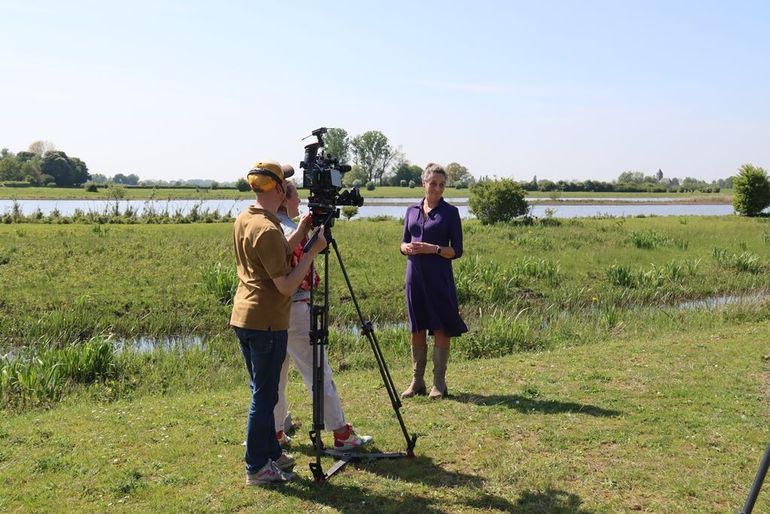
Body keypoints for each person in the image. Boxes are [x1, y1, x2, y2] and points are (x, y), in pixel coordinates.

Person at [230, 159, 326, 486]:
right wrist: (312, 251)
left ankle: (271, 451)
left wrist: (300, 231)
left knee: (266, 392)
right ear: (281, 189)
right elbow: (285, 284)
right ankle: (257, 465)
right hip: (267, 321)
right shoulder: (268, 227)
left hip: (245, 316)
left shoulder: (247, 218)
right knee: (265, 395)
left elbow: (275, 253)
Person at [273, 166, 373, 451]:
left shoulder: (270, 226)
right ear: (286, 199)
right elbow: (302, 274)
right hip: (297, 310)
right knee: (318, 371)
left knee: (276, 376)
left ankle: (276, 433)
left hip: (274, 314)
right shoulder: (291, 230)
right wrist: (313, 241)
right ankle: (341, 433)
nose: (301, 203)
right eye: (296, 198)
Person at [400, 163, 467, 399]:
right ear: (423, 184)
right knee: (416, 326)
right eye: (433, 184)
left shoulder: (450, 213)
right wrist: (405, 247)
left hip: (439, 278)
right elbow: (403, 241)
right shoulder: (411, 211)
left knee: (440, 326)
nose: (437, 188)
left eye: (441, 184)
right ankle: (417, 381)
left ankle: (439, 383)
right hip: (414, 277)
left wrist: (433, 248)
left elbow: (456, 250)